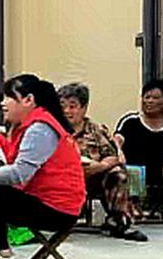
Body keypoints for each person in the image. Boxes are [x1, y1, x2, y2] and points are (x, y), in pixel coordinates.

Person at [0, 74, 87, 259]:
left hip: (57, 209)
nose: (3, 103)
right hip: (51, 202)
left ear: (28, 100)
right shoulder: (33, 124)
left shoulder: (40, 129)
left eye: (9, 97)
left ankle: (3, 258)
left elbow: (19, 174)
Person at [58, 82, 146, 242]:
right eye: (62, 106)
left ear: (84, 108)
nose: (67, 111)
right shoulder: (51, 130)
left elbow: (112, 156)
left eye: (72, 106)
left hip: (93, 177)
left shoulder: (96, 130)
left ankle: (119, 222)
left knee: (117, 174)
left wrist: (100, 166)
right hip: (61, 178)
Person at [113, 77, 163, 214]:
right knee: (129, 170)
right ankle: (135, 206)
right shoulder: (131, 121)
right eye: (146, 97)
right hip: (136, 171)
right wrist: (119, 151)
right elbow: (117, 139)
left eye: (155, 98)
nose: (149, 101)